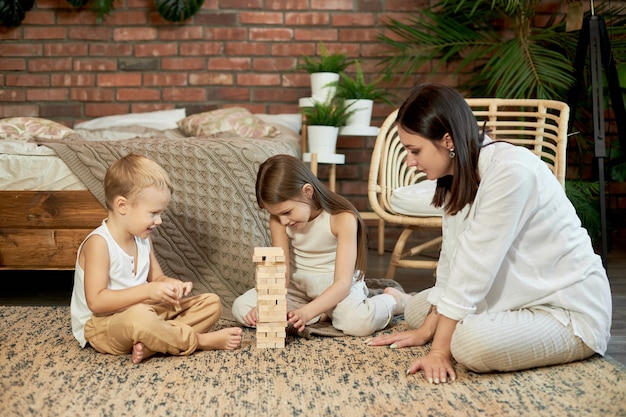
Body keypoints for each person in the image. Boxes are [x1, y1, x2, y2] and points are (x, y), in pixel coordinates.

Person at [368, 83, 612, 384]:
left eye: (414, 150)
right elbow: (452, 259)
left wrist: (439, 350)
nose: (410, 161)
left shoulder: (510, 172)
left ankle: (448, 323)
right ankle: (413, 303)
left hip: (565, 312)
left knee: (467, 344)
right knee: (422, 312)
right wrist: (426, 328)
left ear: (447, 140)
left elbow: (474, 265)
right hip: (514, 295)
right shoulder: (457, 175)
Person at [70, 153, 242, 364]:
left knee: (212, 303)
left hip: (147, 311)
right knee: (140, 318)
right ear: (123, 206)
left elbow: (157, 278)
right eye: (153, 213)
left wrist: (171, 286)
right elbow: (96, 302)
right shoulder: (99, 243)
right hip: (102, 325)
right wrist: (148, 291)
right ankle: (198, 341)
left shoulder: (142, 238)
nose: (159, 221)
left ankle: (152, 344)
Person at [231, 154, 399, 336]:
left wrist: (306, 312)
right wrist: (268, 303)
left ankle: (394, 300)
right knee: (242, 307)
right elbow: (283, 270)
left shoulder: (342, 218)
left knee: (358, 323)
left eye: (287, 212)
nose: (283, 221)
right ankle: (323, 315)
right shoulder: (279, 219)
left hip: (335, 288)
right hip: (297, 287)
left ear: (308, 191)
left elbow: (342, 282)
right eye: (277, 215)